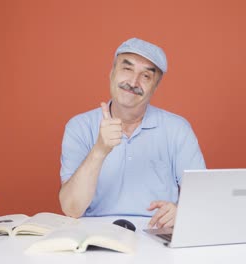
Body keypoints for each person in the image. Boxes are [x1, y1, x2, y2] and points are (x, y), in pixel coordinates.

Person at [58, 37, 205, 228]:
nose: (133, 82)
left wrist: (182, 212)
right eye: (127, 69)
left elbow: (202, 199)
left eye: (146, 76)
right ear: (112, 73)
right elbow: (71, 209)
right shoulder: (79, 127)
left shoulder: (178, 129)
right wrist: (100, 150)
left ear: (155, 86)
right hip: (95, 234)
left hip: (156, 233)